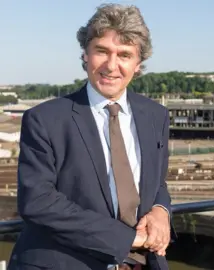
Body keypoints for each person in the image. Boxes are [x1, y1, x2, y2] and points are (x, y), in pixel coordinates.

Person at [8, 4, 175, 270]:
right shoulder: (44, 119)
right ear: (85, 55)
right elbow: (37, 201)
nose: (111, 65)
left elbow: (157, 183)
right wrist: (129, 238)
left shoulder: (156, 116)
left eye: (124, 54)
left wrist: (161, 211)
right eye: (101, 51)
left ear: (138, 64)